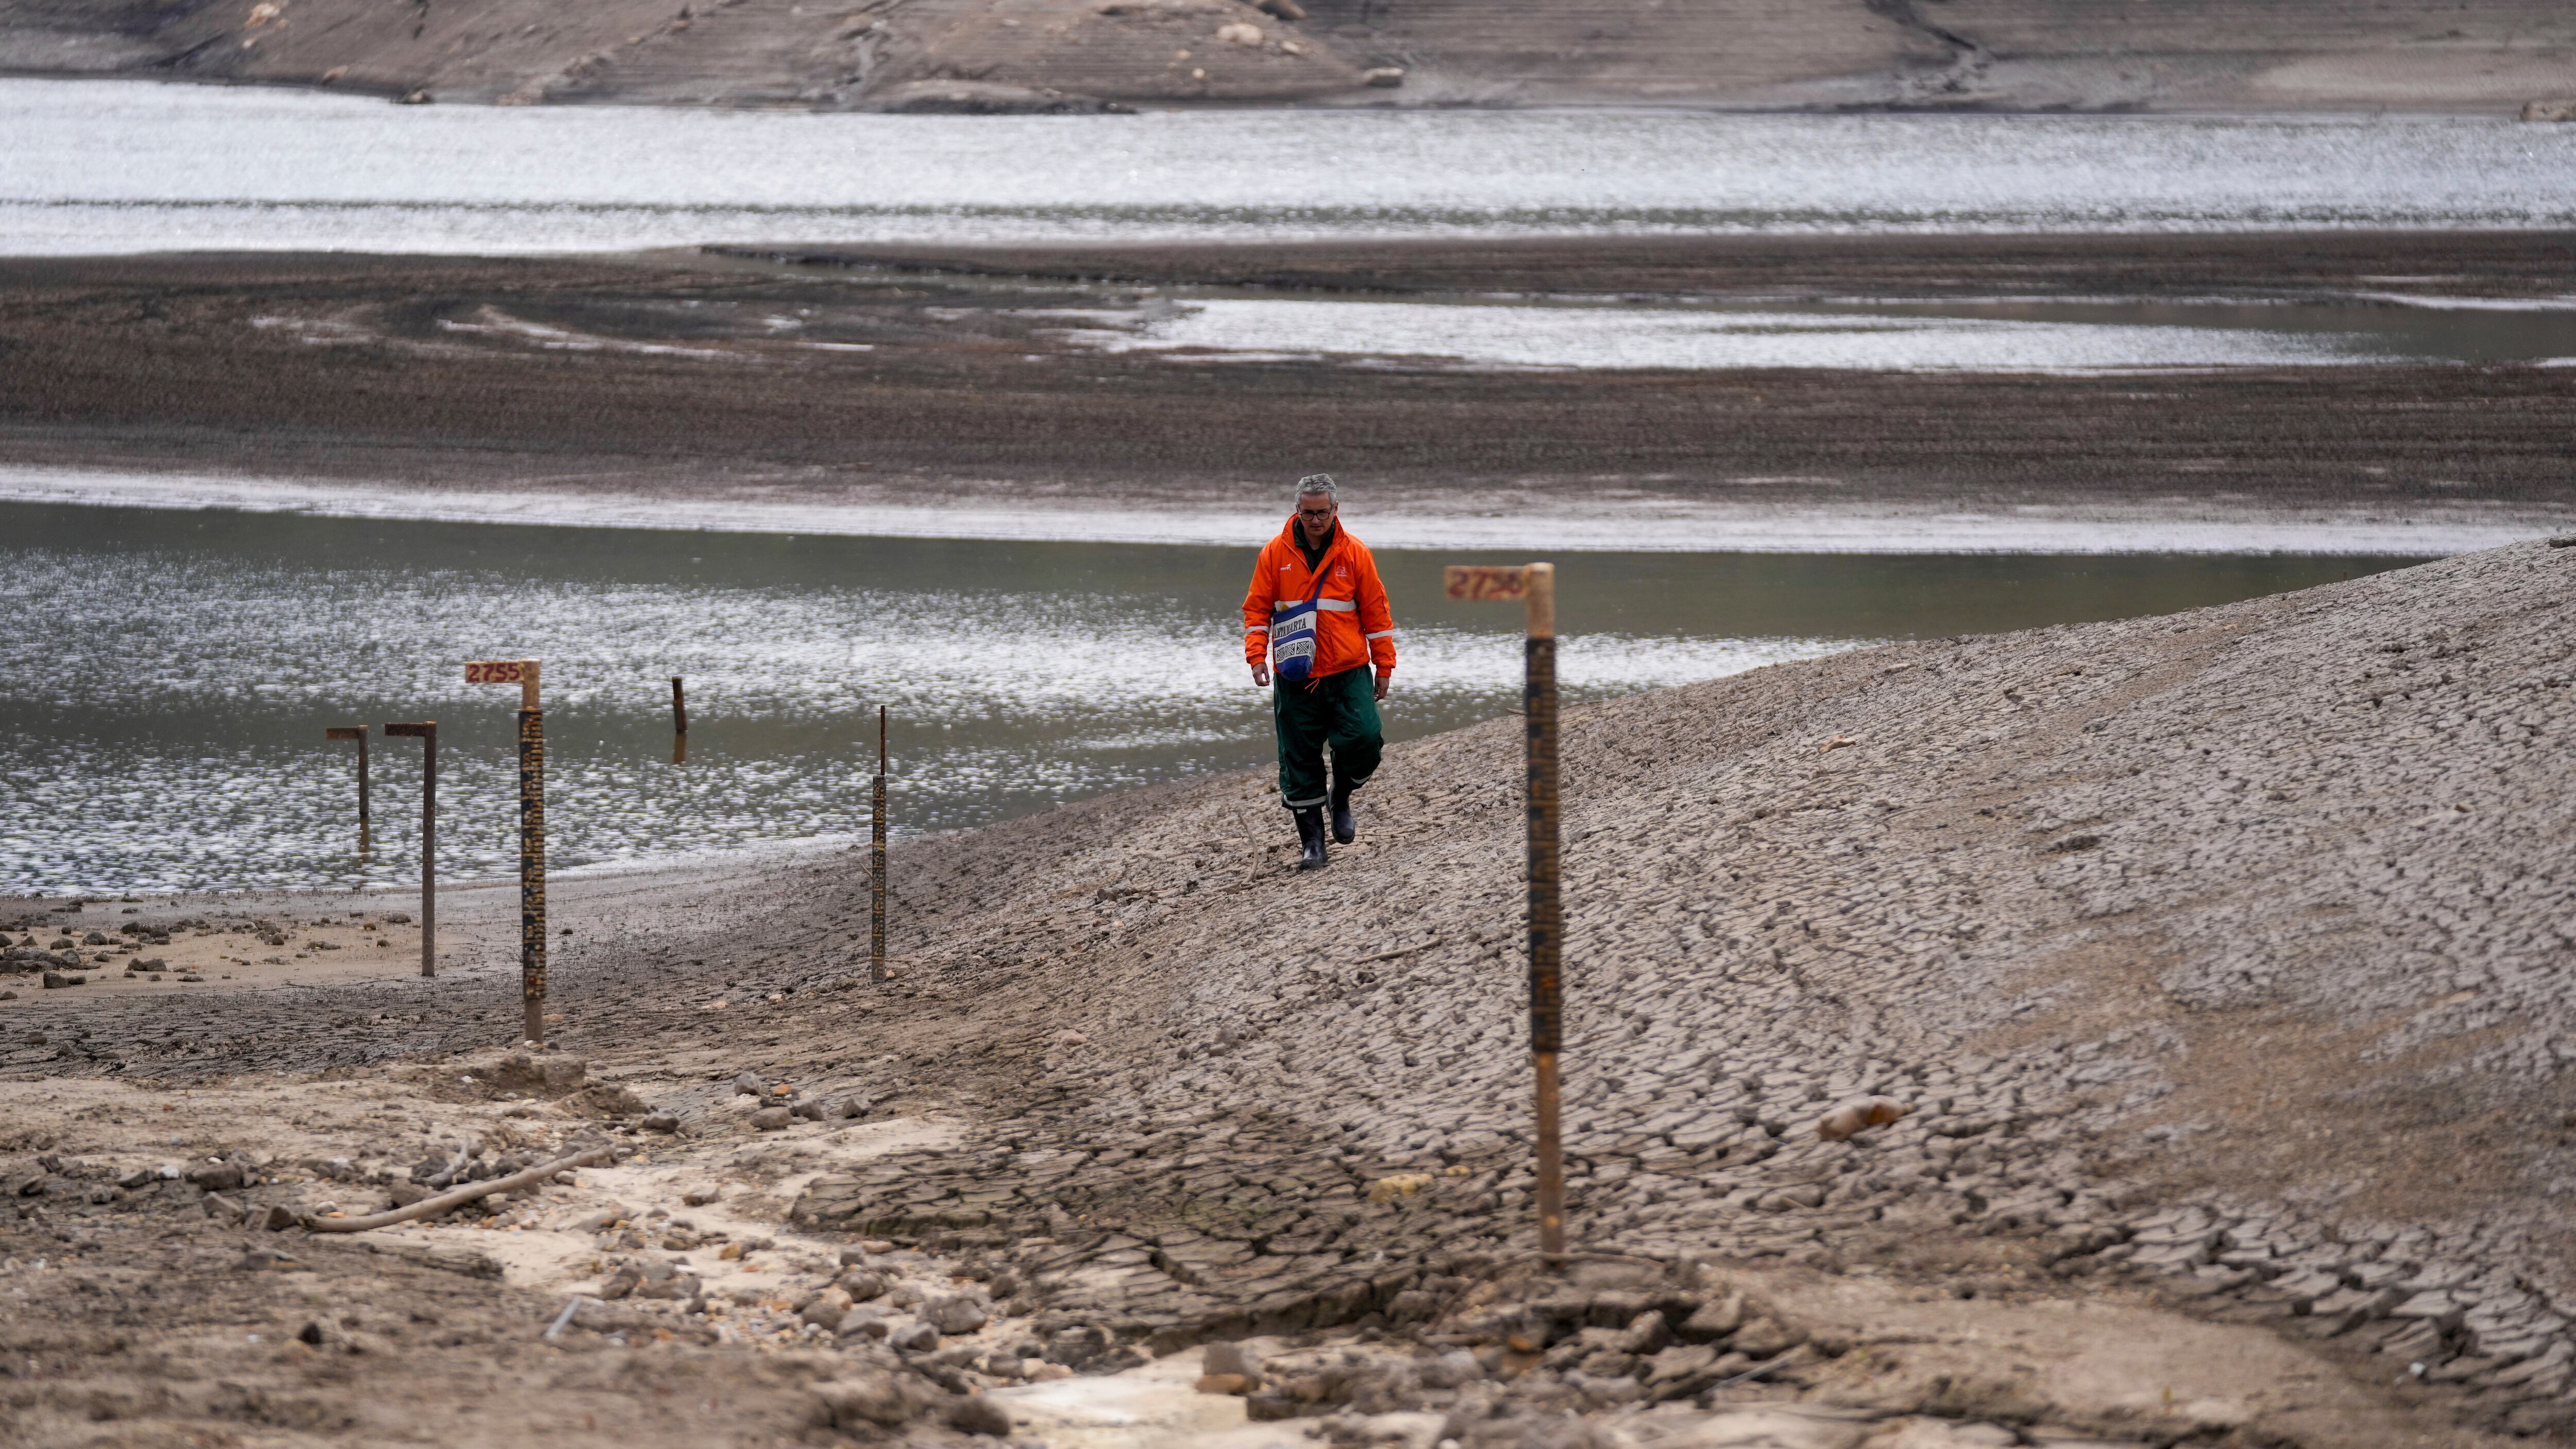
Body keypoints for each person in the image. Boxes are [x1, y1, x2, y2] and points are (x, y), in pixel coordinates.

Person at [1243, 473, 1396, 871]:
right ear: (1297, 510)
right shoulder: (1273, 554)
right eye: (1308, 512)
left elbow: (1377, 614)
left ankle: (1340, 795)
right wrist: (1256, 656)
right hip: (1295, 677)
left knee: (1365, 738)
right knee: (1298, 759)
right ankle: (1313, 845)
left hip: (1348, 671)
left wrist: (1385, 664)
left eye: (1322, 513)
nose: (1315, 520)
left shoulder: (1356, 554)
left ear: (1335, 510)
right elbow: (1257, 611)